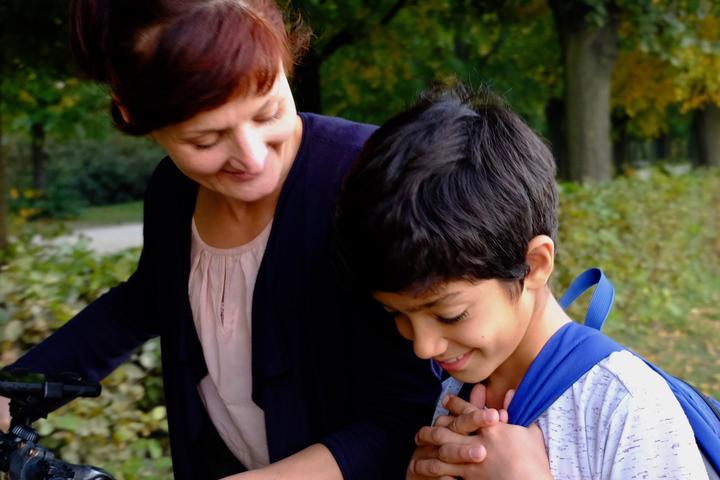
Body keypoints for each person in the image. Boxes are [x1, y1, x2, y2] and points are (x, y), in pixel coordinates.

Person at [0, 1, 442, 478]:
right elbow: (145, 301)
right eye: (205, 140)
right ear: (133, 114)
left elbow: (411, 410)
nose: (251, 158)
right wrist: (11, 393)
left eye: (269, 111)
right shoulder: (173, 191)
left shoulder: (372, 185)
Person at [334, 84, 710, 479]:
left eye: (450, 314)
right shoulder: (456, 393)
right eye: (397, 315)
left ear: (533, 265)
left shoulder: (624, 406)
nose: (424, 346)